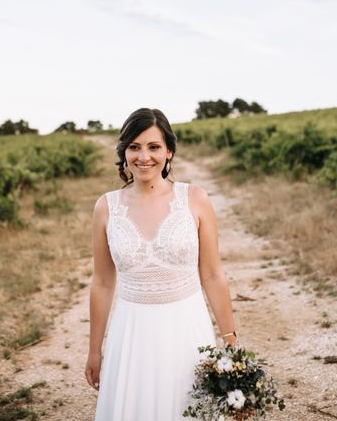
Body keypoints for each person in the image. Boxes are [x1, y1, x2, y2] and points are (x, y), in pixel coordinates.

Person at [85, 107, 238, 420]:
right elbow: (102, 283)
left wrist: (230, 340)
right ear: (124, 152)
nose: (144, 157)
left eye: (154, 147)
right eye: (134, 147)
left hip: (186, 328)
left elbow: (211, 274)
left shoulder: (194, 199)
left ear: (169, 151)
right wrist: (94, 350)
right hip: (132, 334)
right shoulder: (106, 207)